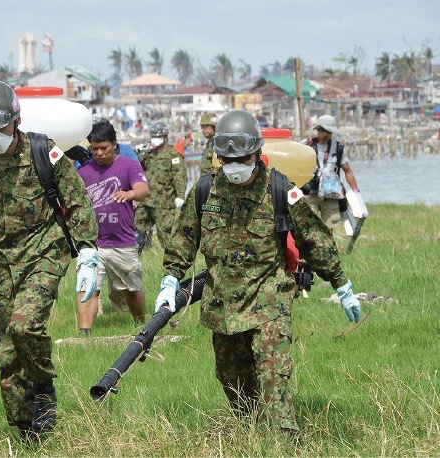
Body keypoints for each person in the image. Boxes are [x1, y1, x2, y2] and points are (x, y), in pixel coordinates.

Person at [155, 110, 362, 434]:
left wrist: (341, 284)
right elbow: (184, 239)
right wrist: (170, 280)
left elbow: (314, 239)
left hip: (270, 304)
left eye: (242, 158)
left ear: (257, 152)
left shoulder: (281, 190)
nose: (234, 165)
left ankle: (283, 442)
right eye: (227, 159)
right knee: (233, 381)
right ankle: (252, 435)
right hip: (222, 307)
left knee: (273, 379)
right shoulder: (205, 191)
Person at [0, 81, 98, 439]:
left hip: (44, 252)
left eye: (0, 125)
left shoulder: (44, 152)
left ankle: (43, 388)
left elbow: (77, 202)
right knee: (6, 348)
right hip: (3, 261)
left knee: (25, 326)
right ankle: (26, 429)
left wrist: (88, 252)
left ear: (16, 120)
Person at [76, 121, 150, 333]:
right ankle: (84, 334)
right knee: (87, 287)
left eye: (104, 148)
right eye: (94, 149)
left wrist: (130, 193)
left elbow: (143, 189)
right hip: (92, 243)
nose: (99, 153)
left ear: (114, 144)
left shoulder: (129, 166)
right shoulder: (83, 172)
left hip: (122, 241)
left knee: (131, 290)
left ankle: (142, 327)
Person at [301, 115, 365, 230]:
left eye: (328, 131)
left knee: (329, 229)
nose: (325, 134)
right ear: (318, 130)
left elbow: (347, 171)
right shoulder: (307, 144)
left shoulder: (338, 148)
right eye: (323, 130)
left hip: (331, 195)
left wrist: (356, 192)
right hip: (310, 193)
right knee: (310, 227)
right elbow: (296, 164)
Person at [133, 121, 187, 249]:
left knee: (166, 234)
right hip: (146, 200)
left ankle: (169, 258)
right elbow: (138, 170)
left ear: (164, 137)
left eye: (157, 136)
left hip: (164, 202)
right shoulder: (148, 154)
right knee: (138, 230)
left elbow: (179, 176)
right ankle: (142, 255)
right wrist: (139, 153)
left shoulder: (173, 155)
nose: (154, 139)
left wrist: (180, 196)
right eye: (153, 136)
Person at [197, 112, 218, 177]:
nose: (203, 130)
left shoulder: (217, 143)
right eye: (202, 127)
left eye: (205, 127)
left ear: (214, 127)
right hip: (206, 179)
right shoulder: (210, 142)